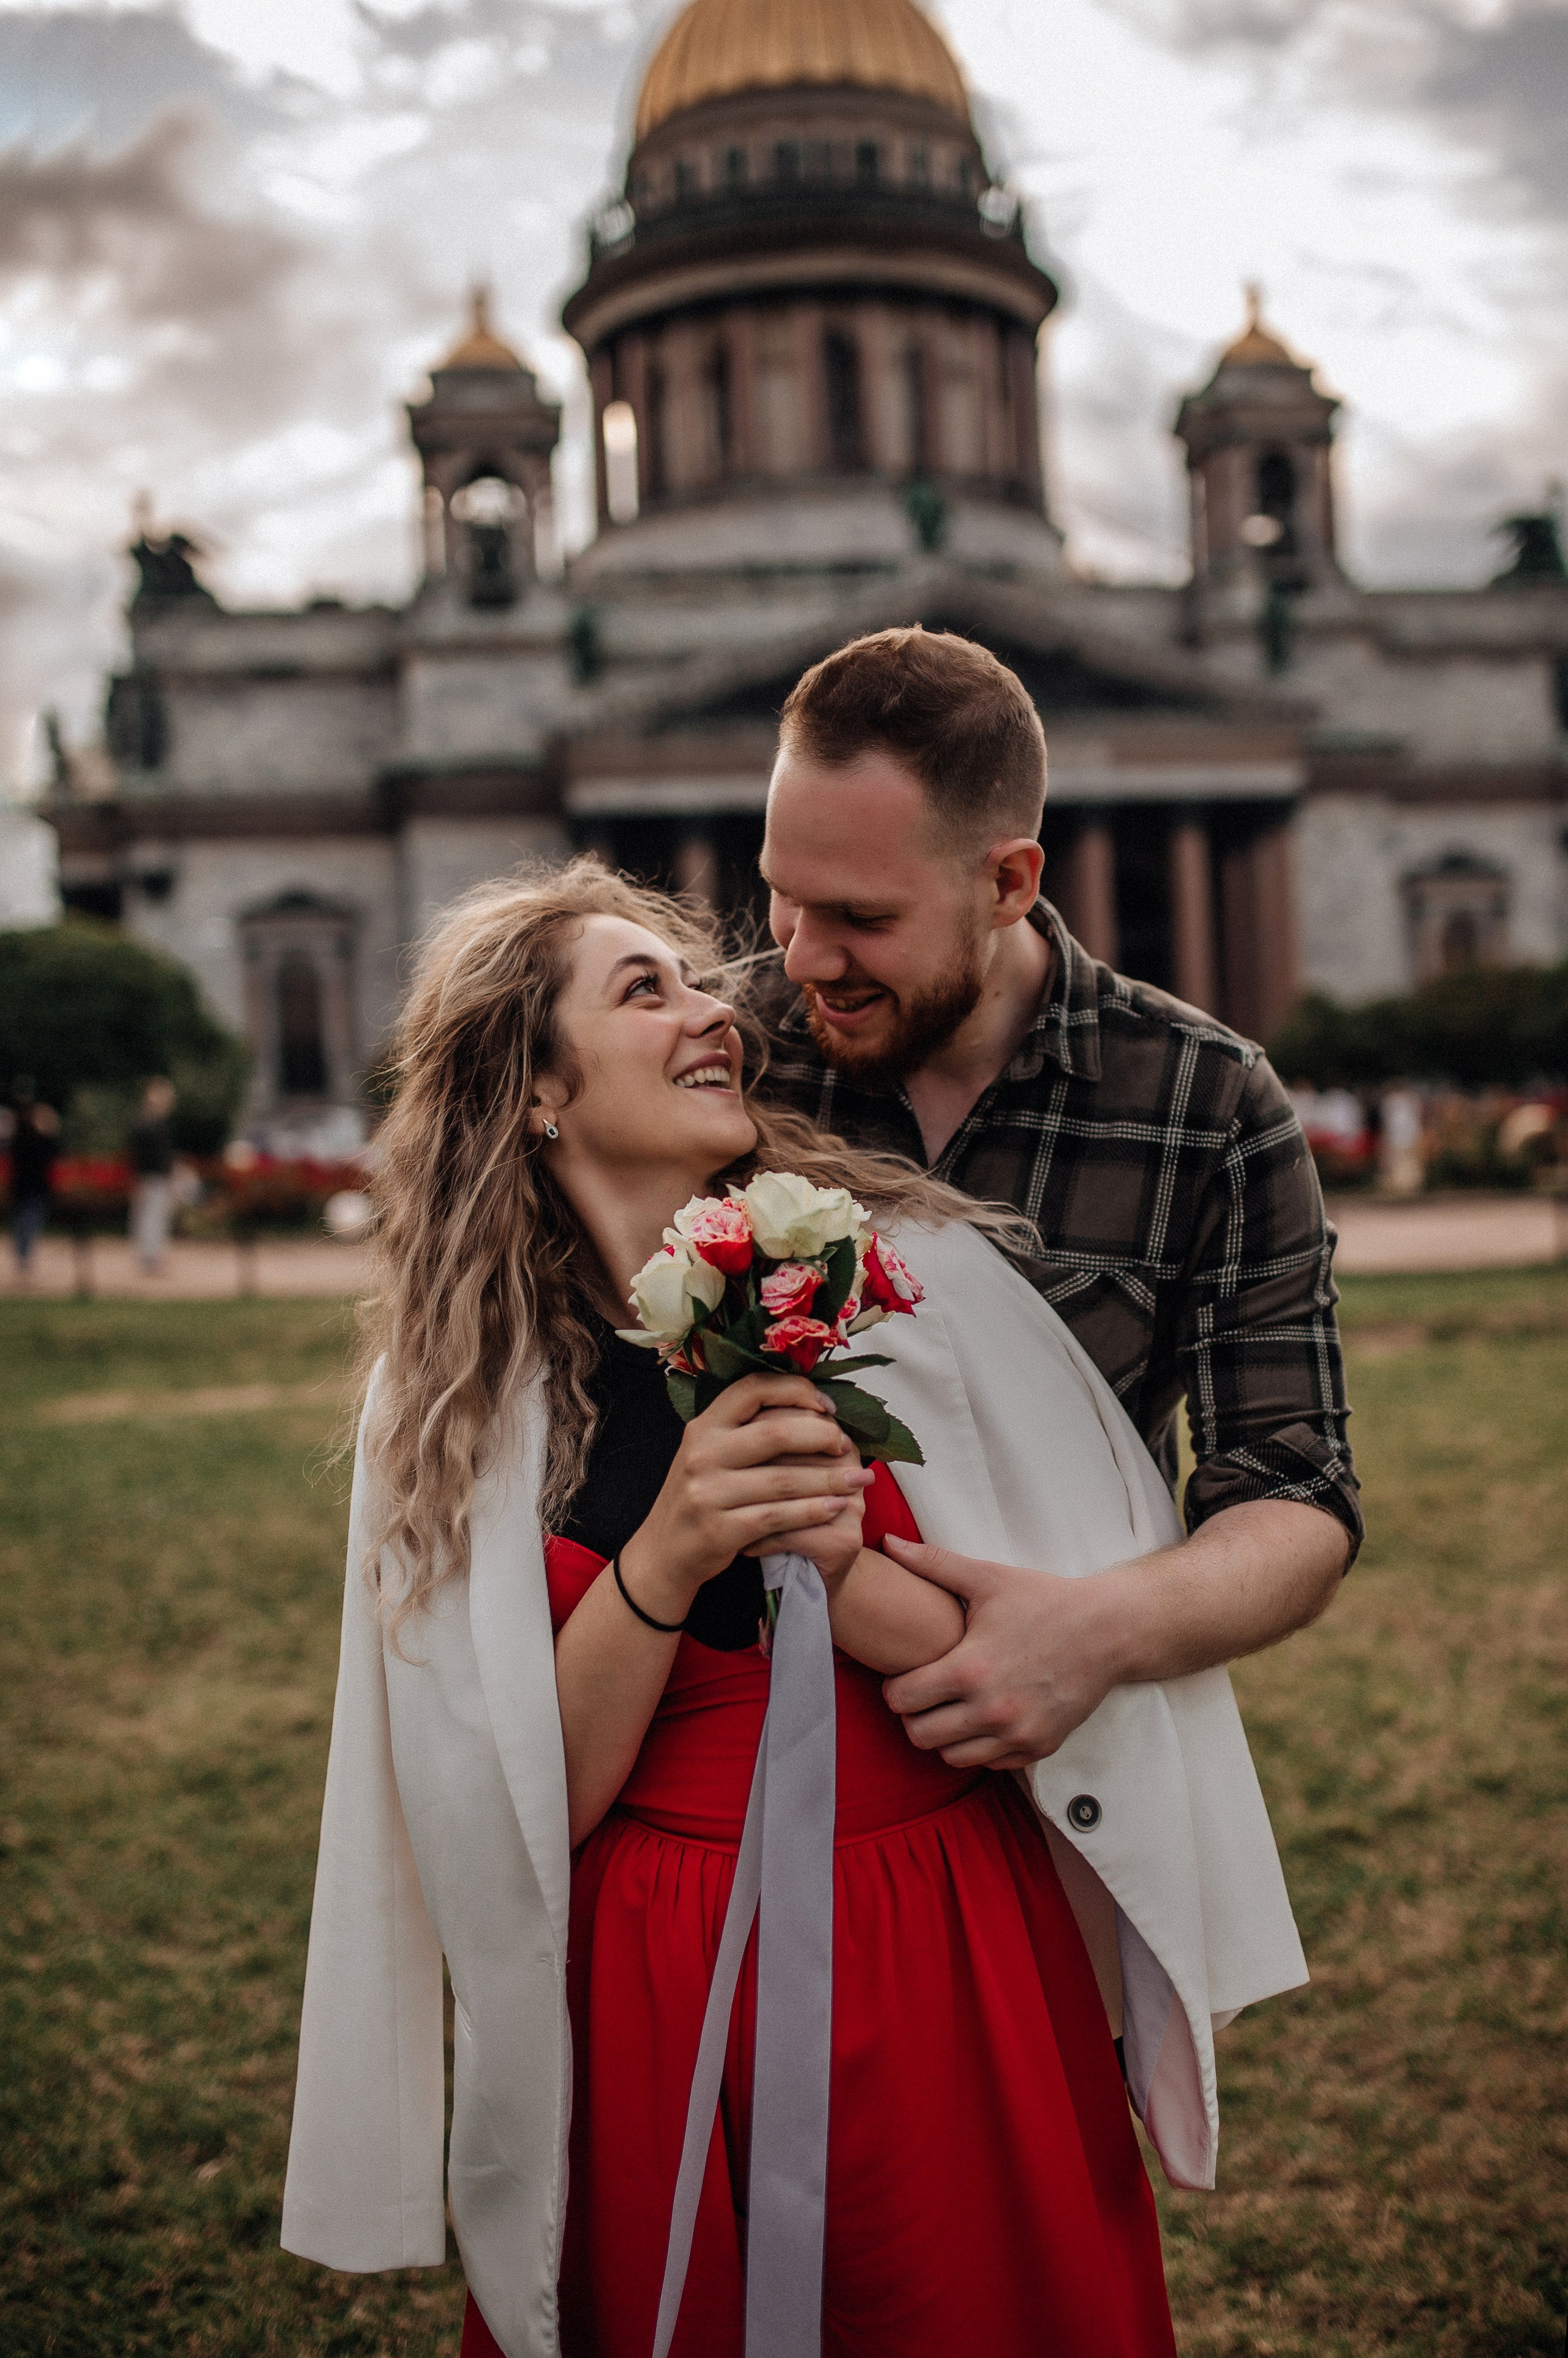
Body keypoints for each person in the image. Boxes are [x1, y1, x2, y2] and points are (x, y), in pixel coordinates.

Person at [281, 862, 1308, 2358]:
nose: (720, 1017)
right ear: (531, 1090)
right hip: (646, 1969)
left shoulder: (908, 1280)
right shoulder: (450, 1402)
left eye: (701, 984)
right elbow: (522, 1802)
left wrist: (835, 1565)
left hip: (942, 1933)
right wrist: (667, 1557)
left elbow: (1008, 1669)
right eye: (647, 991)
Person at [756, 627, 1360, 1776]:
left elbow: (1297, 1491)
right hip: (761, 1774)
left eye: (862, 918)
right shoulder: (726, 1063)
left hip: (1073, 1770)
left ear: (1009, 882)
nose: (801, 959)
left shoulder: (1206, 1101)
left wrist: (1092, 1635)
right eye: (784, 898)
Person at [7, 1082, 59, 1276]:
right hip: (32, 1188)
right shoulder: (32, 1138)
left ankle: (23, 1256)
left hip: (27, 1188)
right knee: (28, 1223)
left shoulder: (23, 1137)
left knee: (25, 1223)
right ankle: (24, 1257)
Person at [128, 1076, 177, 1273]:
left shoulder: (143, 1122)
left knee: (148, 1217)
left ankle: (149, 1256)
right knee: (153, 1217)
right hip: (153, 1177)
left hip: (148, 1176)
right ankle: (151, 1258)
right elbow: (156, 1156)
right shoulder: (150, 1124)